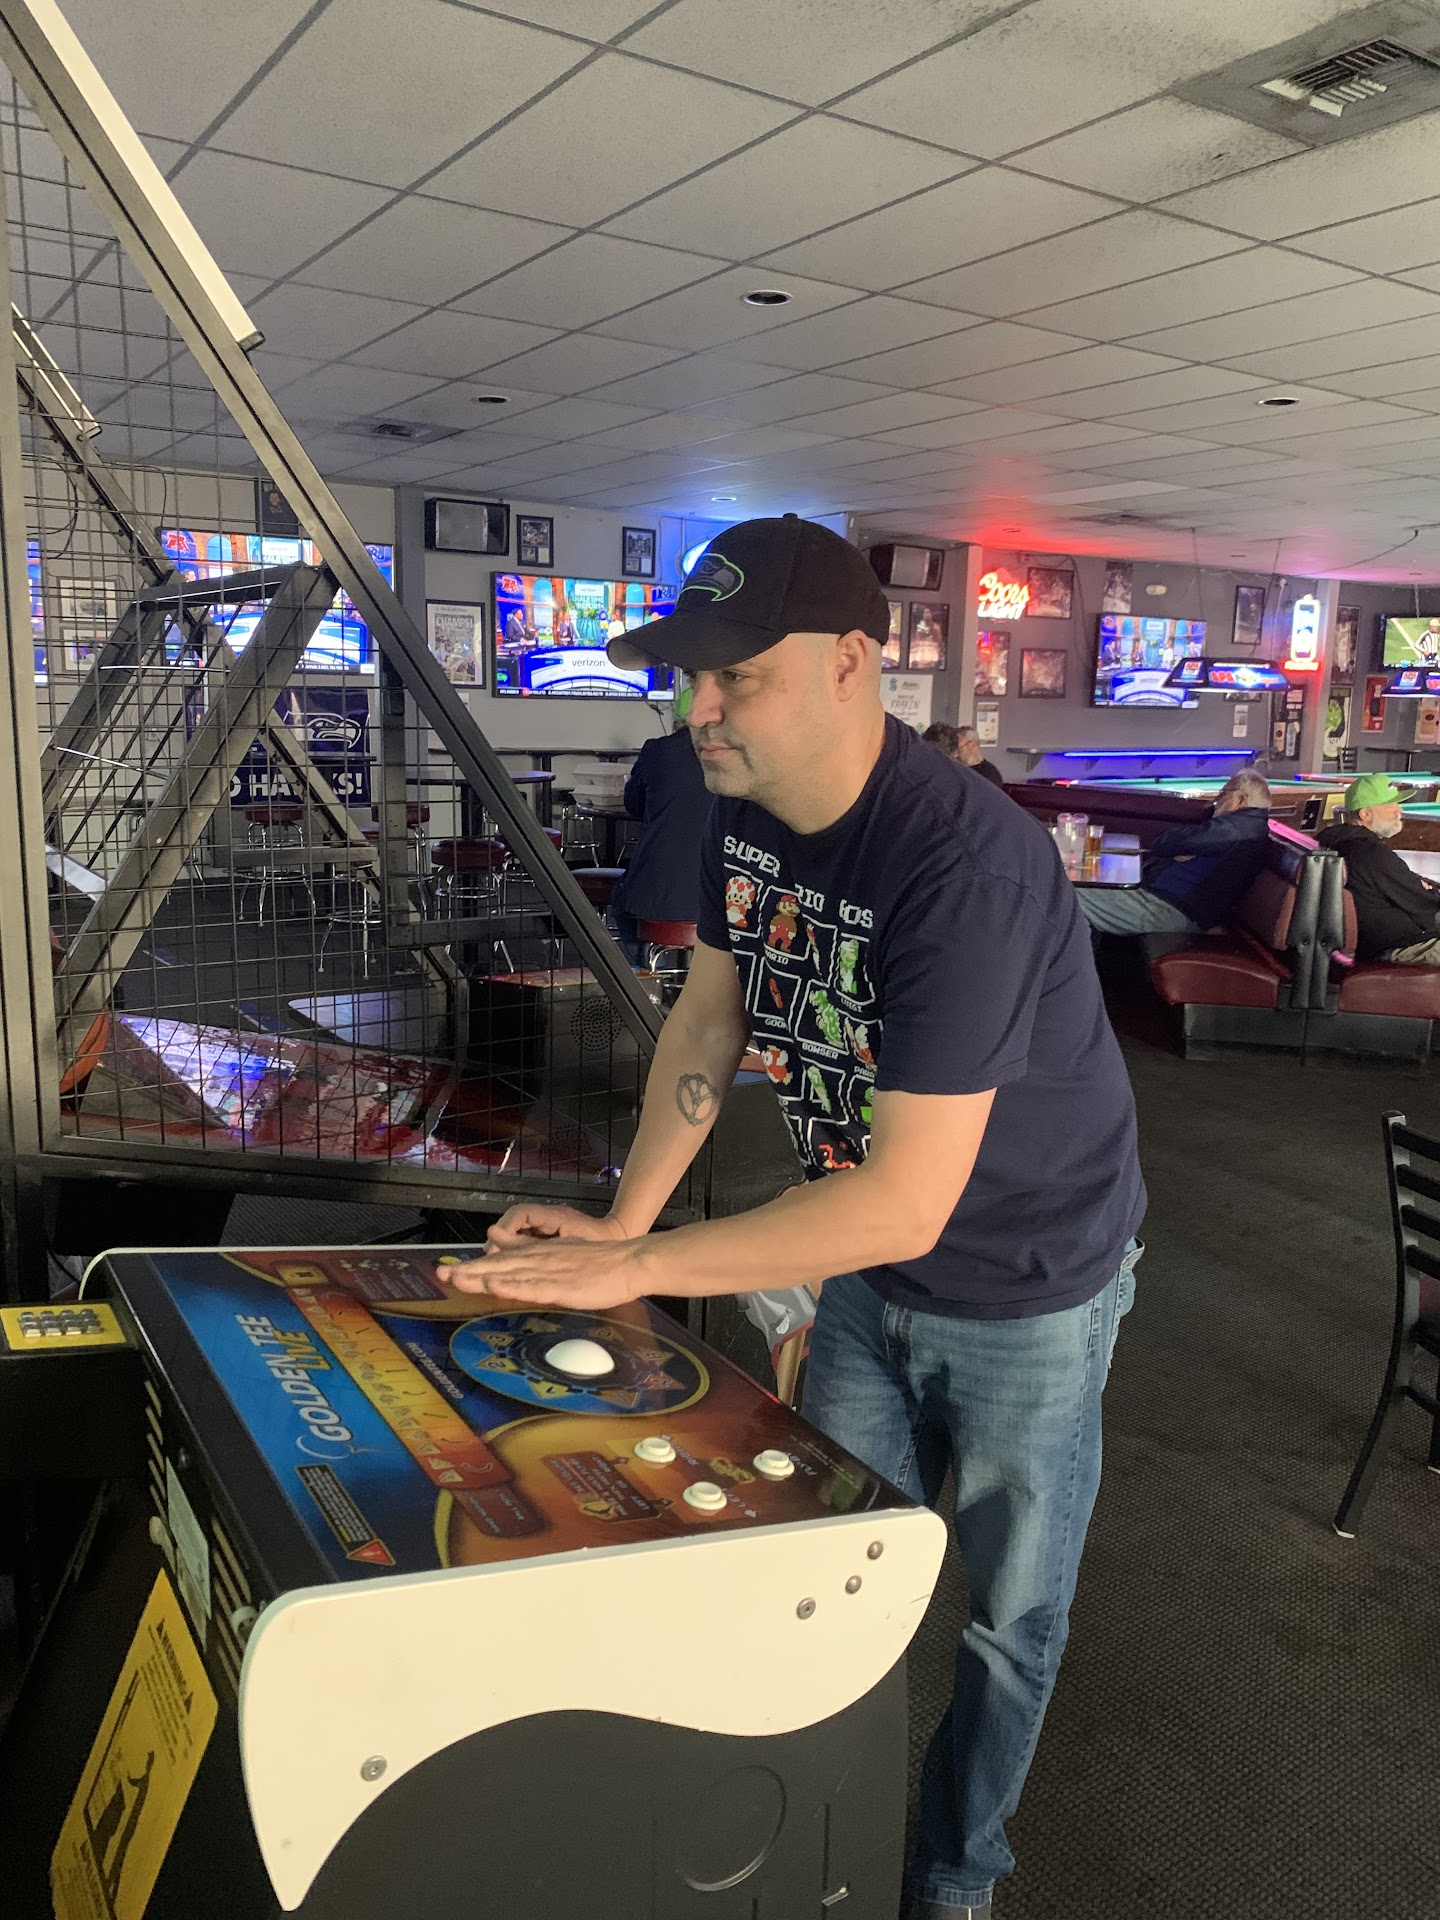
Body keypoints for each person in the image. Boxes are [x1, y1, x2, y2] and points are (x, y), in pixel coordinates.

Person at [447, 515, 1145, 1920]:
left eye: (736, 678)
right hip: (863, 1264)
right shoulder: (741, 810)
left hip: (1027, 1280)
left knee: (1008, 1620)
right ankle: (816, 1854)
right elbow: (707, 1023)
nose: (697, 710)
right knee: (815, 1566)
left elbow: (907, 1201)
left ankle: (952, 1878)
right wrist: (622, 1228)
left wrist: (642, 1267)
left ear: (850, 663)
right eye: (688, 677)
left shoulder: (966, 865)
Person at [1075, 769, 1271, 938]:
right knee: (1074, 899)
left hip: (1167, 910)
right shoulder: (1248, 826)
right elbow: (1173, 845)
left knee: (1068, 894)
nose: (1216, 801)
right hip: (1169, 905)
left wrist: (1176, 850)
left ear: (1239, 800)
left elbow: (1166, 843)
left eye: (1223, 793)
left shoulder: (1231, 829)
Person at [608, 700, 711, 963]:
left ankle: (652, 974)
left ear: (678, 720)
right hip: (723, 902)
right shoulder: (737, 756)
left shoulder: (658, 750)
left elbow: (634, 804)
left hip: (656, 895)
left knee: (621, 908)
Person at [1318, 773, 1440, 963]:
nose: (1399, 810)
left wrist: (1422, 887)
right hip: (1400, 948)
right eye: (1391, 805)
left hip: (1380, 943)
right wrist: (1428, 890)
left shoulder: (1336, 841)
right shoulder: (1371, 853)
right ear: (1365, 814)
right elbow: (1425, 902)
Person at [922, 720, 1005, 789]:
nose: (956, 753)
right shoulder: (955, 770)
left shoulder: (990, 775)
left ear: (972, 744)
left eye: (958, 746)